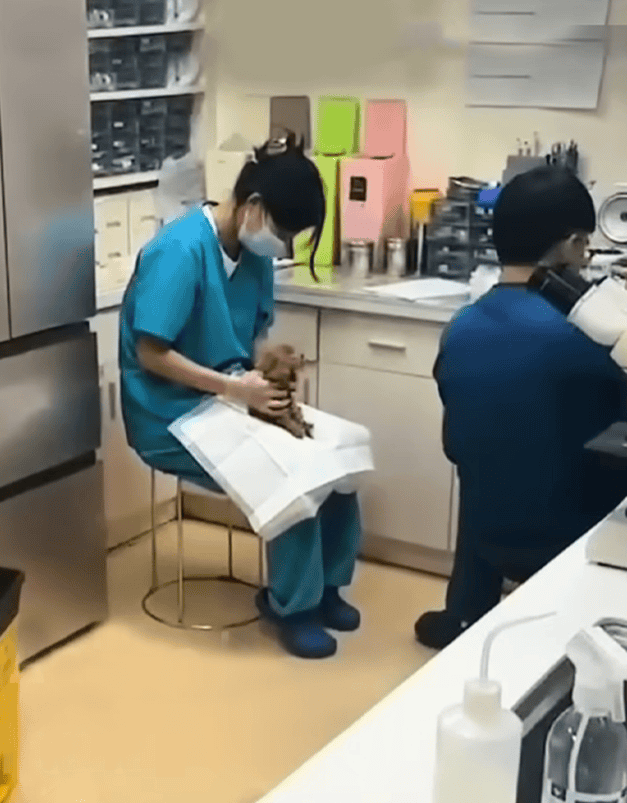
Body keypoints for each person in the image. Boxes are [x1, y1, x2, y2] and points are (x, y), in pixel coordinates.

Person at [119, 135, 363, 659]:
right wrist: (235, 387)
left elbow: (239, 341)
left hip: (226, 399)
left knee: (338, 456)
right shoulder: (179, 252)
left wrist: (269, 365)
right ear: (254, 208)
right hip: (167, 413)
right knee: (292, 470)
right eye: (285, 231)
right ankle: (291, 607)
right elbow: (151, 354)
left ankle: (326, 589)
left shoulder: (250, 256)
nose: (286, 245)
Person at [415, 166, 627, 651]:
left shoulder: (461, 327)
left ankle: (464, 614)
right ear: (573, 244)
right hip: (569, 534)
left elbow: (458, 441)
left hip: (490, 526)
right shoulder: (597, 338)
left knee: (491, 462)